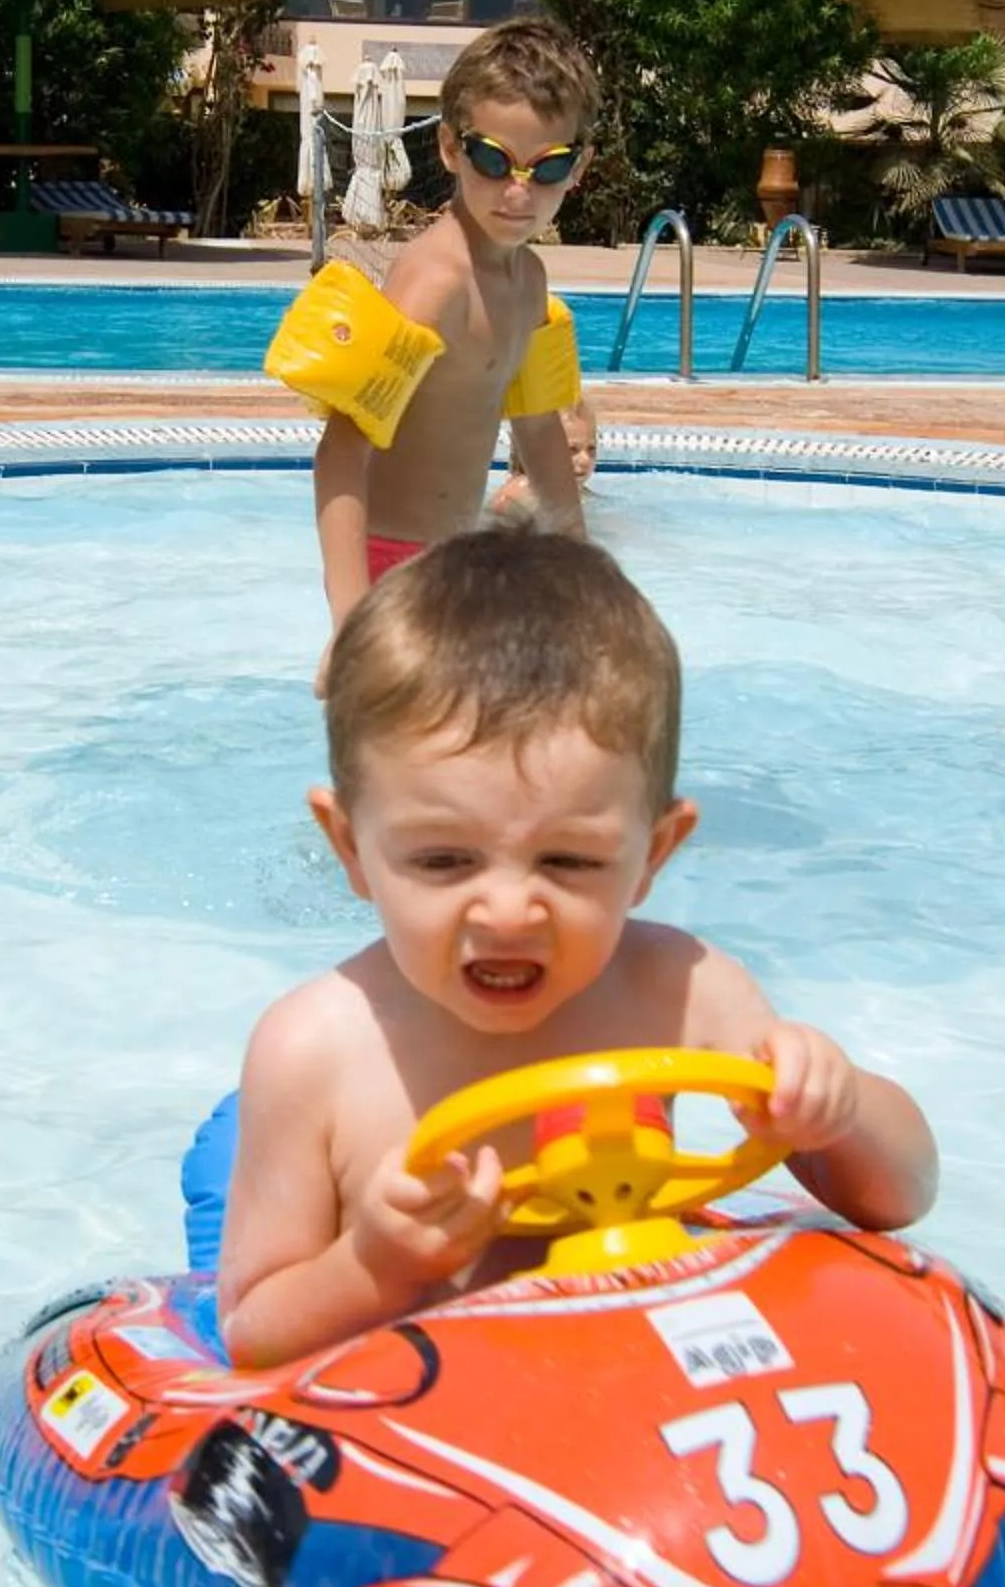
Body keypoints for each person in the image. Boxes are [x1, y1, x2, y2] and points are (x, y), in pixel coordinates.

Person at [218, 530, 937, 1368]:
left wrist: (836, 1109)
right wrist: (371, 1267)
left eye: (569, 861)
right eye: (443, 860)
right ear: (349, 849)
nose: (511, 909)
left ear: (654, 855)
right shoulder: (317, 1052)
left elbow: (905, 1196)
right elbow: (250, 1337)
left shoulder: (684, 991)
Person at [266, 16, 599, 690]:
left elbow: (538, 432)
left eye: (548, 168)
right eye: (492, 159)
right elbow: (341, 451)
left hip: (454, 567)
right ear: (449, 148)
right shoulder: (436, 281)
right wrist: (351, 615)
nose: (517, 191)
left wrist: (583, 576)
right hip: (393, 568)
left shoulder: (529, 283)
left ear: (579, 168)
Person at [493, 398, 598, 515]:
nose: (585, 460)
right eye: (572, 450)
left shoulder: (582, 495)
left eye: (591, 449)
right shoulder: (518, 496)